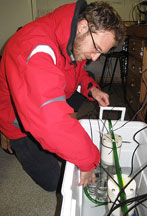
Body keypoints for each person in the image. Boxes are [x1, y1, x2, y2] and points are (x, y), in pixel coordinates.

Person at [0, 0, 125, 191]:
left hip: (39, 98)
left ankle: (66, 131)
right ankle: (7, 136)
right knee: (55, 182)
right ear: (84, 26)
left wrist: (92, 89)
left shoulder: (71, 37)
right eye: (97, 49)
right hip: (16, 119)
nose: (95, 58)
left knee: (80, 97)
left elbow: (77, 72)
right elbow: (49, 121)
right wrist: (89, 160)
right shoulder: (34, 47)